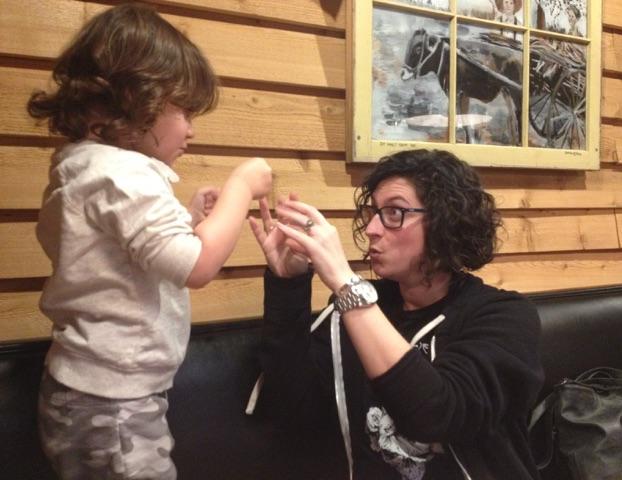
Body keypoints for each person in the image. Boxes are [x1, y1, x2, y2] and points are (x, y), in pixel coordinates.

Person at [27, 4, 272, 479]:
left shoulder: (83, 169)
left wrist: (188, 219)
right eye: (184, 110)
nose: (192, 129)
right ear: (132, 99)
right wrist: (240, 188)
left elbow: (117, 259)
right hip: (113, 401)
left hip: (85, 391)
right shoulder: (123, 174)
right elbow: (197, 266)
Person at [250, 149, 543, 479]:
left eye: (394, 212)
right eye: (374, 212)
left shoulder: (504, 317)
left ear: (446, 223)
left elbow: (438, 415)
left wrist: (347, 285)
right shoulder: (356, 310)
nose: (372, 228)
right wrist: (288, 285)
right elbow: (294, 409)